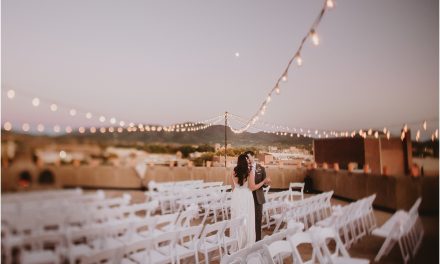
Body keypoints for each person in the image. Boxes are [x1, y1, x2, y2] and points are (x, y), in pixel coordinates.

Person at [230, 153, 270, 249]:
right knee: (247, 219)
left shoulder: (233, 171)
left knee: (237, 218)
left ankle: (237, 243)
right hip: (246, 196)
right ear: (246, 161)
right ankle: (246, 244)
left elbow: (232, 188)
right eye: (248, 159)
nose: (249, 161)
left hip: (236, 196)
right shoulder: (249, 172)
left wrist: (238, 192)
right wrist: (263, 182)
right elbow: (252, 188)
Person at [244, 150, 270, 241]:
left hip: (258, 197)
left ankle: (257, 240)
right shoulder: (244, 169)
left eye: (248, 157)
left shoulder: (261, 168)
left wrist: (266, 183)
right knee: (248, 219)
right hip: (247, 197)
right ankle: (249, 239)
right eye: (246, 157)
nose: (247, 159)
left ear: (253, 156)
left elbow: (265, 183)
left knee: (258, 219)